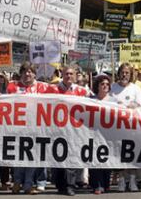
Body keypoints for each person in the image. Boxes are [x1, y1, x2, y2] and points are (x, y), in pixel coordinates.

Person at [7, 62, 50, 194]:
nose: (27, 74)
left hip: (35, 128)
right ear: (21, 73)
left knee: (32, 157)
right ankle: (17, 182)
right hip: (18, 128)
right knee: (18, 157)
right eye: (25, 71)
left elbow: (59, 95)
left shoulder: (43, 87)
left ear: (35, 74)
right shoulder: (12, 86)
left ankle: (28, 184)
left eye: (30, 71)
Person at [48, 65, 87, 196]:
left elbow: (95, 102)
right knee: (58, 158)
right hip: (57, 130)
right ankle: (60, 185)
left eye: (71, 74)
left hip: (74, 130)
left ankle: (70, 185)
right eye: (66, 74)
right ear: (62, 75)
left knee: (71, 158)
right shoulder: (52, 90)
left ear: (75, 76)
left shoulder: (82, 91)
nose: (69, 76)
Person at [110, 63, 141, 192]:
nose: (124, 75)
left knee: (132, 153)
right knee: (119, 154)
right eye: (122, 72)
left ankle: (133, 180)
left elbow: (140, 105)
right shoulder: (112, 87)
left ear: (131, 74)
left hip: (132, 127)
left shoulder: (136, 89)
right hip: (117, 127)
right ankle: (122, 180)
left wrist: (133, 105)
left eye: (127, 73)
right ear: (119, 73)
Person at [89, 74, 114, 194]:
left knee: (106, 159)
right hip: (94, 134)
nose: (105, 86)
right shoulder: (90, 100)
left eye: (107, 84)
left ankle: (106, 183)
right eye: (102, 84)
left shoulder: (113, 100)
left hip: (108, 135)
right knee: (95, 159)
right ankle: (97, 185)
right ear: (97, 86)